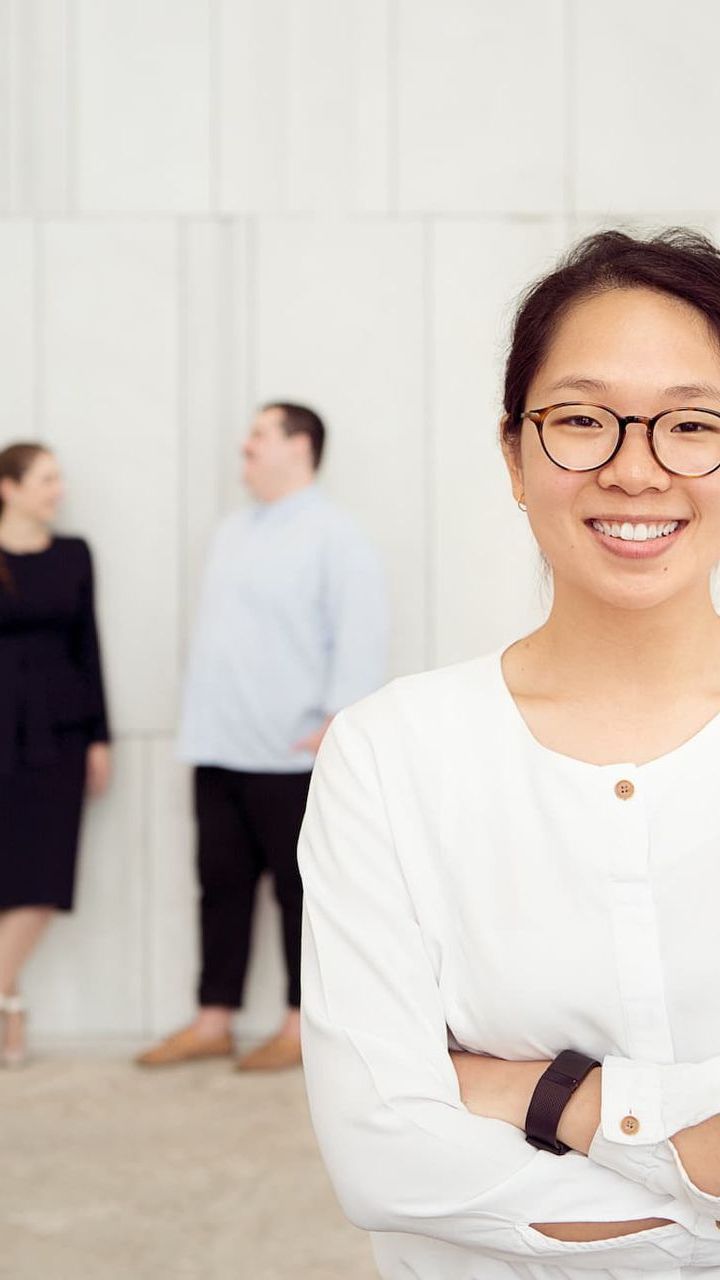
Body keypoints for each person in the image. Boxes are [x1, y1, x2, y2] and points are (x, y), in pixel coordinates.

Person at [299, 230, 720, 1278]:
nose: (636, 467)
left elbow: (438, 1140)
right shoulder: (389, 756)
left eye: (692, 424)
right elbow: (381, 1155)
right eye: (582, 419)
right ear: (513, 454)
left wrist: (549, 1094)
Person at [138, 402, 387, 1071]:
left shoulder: (336, 535)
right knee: (218, 884)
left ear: (299, 446)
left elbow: (360, 633)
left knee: (297, 892)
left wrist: (336, 720)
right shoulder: (233, 531)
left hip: (292, 752)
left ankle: (299, 1025)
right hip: (219, 744)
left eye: (258, 434)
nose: (243, 445)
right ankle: (212, 1019)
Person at [0, 443, 111, 1067]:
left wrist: (100, 736)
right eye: (46, 479)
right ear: (8, 488)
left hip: (59, 735)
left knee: (42, 881)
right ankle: (11, 1013)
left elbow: (88, 645)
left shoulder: (73, 555)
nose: (58, 489)